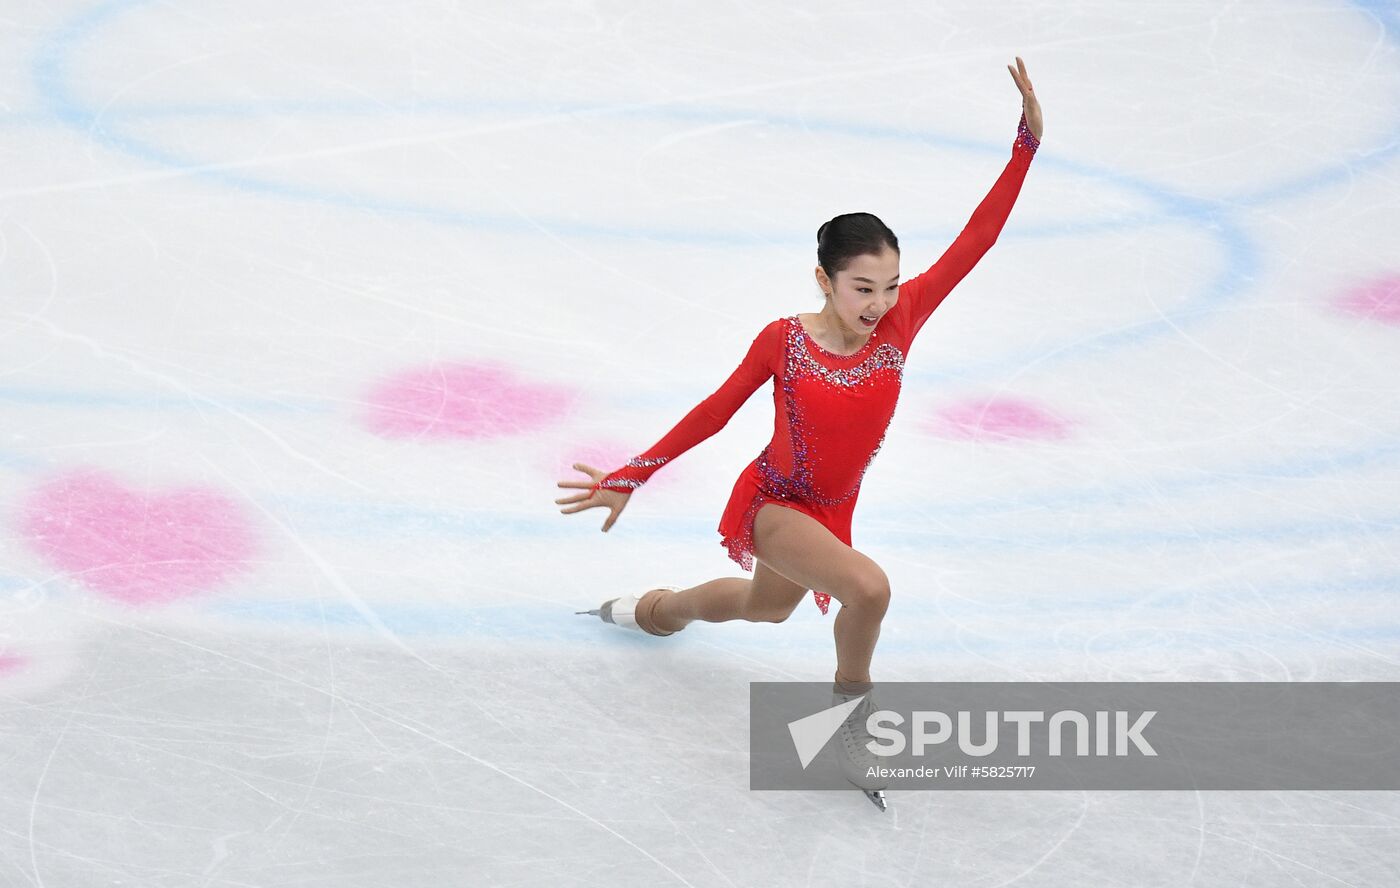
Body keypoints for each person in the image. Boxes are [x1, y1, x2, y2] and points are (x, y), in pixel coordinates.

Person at [558, 58, 1044, 805]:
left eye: (888, 286)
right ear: (824, 279)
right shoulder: (783, 341)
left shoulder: (902, 319)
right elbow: (717, 410)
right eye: (861, 288)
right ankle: (851, 728)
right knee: (870, 591)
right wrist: (632, 473)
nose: (879, 303)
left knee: (766, 607)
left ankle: (655, 611)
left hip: (831, 508)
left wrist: (1024, 147)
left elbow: (974, 242)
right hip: (778, 502)